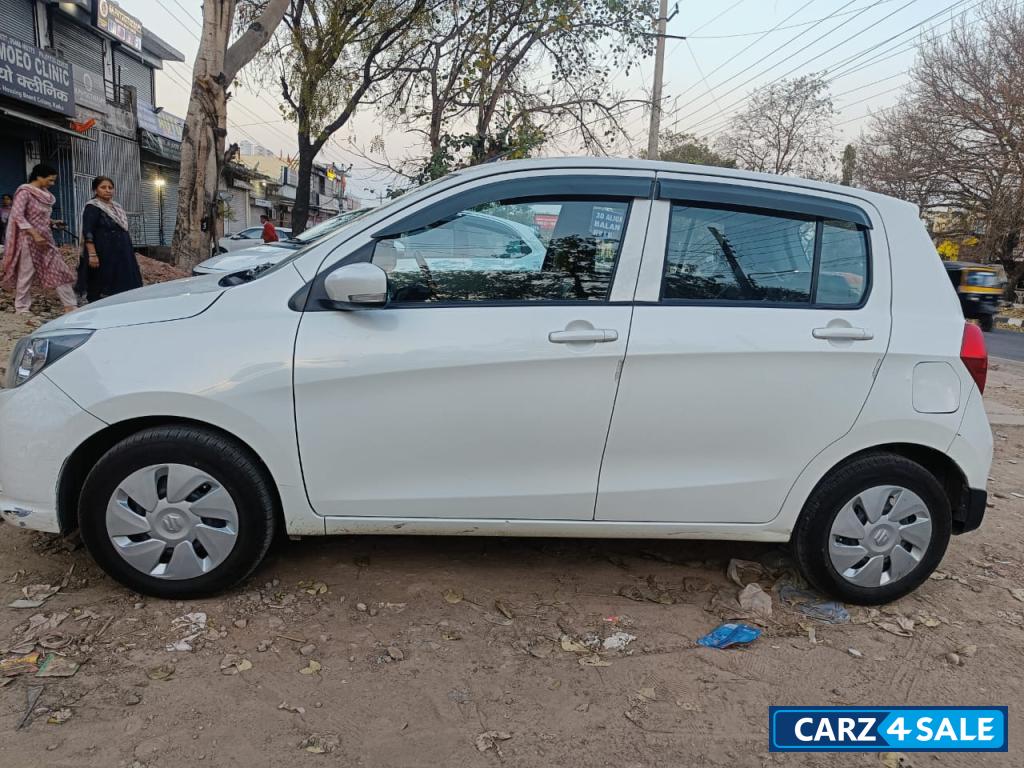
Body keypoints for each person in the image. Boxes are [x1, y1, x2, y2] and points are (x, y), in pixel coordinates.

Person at [0, 164, 77, 315]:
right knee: (26, 273)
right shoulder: (25, 192)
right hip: (28, 240)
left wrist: (53, 223)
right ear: (39, 177)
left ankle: (70, 305)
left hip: (46, 239)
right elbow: (17, 215)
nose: (52, 184)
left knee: (59, 268)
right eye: (50, 180)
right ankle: (21, 308)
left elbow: (40, 218)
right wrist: (34, 234)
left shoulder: (46, 195)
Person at [76, 176, 142, 302]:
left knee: (124, 280)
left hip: (122, 252)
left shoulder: (117, 207)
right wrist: (92, 254)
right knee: (103, 282)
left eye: (110, 188)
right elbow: (88, 231)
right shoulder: (93, 207)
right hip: (103, 252)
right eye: (103, 187)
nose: (108, 190)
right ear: (95, 190)